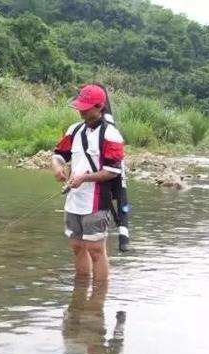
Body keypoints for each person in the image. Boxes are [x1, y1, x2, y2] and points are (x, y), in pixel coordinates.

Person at [51, 85, 125, 283]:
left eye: (86, 107)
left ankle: (98, 301)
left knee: (95, 249)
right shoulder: (73, 130)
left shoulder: (111, 135)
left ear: (99, 107)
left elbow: (112, 171)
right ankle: (81, 289)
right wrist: (57, 167)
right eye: (79, 106)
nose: (80, 110)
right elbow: (59, 155)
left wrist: (84, 178)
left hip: (98, 200)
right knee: (76, 246)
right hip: (74, 199)